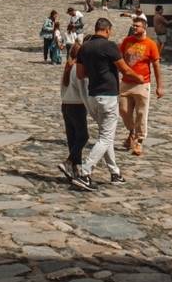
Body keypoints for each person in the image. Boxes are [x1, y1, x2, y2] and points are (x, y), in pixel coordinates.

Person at [69, 17, 145, 191]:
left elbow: (81, 74)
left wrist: (96, 72)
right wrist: (138, 78)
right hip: (108, 96)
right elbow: (124, 68)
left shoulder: (84, 47)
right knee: (105, 137)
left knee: (106, 135)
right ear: (107, 30)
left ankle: (115, 173)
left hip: (93, 97)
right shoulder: (109, 46)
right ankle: (85, 173)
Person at [117, 15, 163, 156]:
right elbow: (119, 59)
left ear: (144, 28)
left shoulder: (151, 44)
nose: (134, 27)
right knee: (123, 111)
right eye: (133, 25)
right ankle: (131, 132)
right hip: (126, 82)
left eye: (137, 26)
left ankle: (139, 141)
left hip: (142, 84)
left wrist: (159, 85)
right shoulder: (127, 41)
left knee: (141, 113)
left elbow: (156, 65)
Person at [58, 41, 91, 186]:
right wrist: (89, 106)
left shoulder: (67, 67)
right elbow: (83, 89)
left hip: (66, 105)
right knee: (83, 136)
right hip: (77, 106)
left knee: (73, 139)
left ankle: (74, 169)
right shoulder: (77, 69)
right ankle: (69, 162)